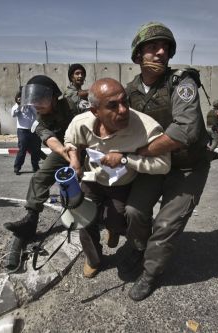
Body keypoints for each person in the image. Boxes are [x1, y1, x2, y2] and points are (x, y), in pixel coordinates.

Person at [123, 22, 212, 301]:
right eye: (152, 47)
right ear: (138, 56)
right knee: (134, 212)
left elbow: (186, 130)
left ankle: (151, 273)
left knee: (165, 225)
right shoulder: (129, 91)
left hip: (187, 167)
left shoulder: (181, 83)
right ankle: (139, 249)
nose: (161, 52)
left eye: (166, 48)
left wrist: (142, 151)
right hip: (155, 165)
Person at [64, 78, 171, 278]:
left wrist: (125, 160)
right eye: (112, 106)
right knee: (83, 217)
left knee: (117, 220)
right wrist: (74, 159)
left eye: (125, 102)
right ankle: (94, 258)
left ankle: (114, 229)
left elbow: (164, 164)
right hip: (92, 179)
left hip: (122, 184)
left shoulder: (146, 128)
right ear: (95, 111)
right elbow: (70, 139)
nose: (123, 110)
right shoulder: (82, 123)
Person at [3, 75, 80, 240]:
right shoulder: (37, 119)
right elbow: (50, 140)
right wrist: (68, 155)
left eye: (41, 99)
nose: (37, 104)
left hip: (85, 146)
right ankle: (31, 221)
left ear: (53, 97)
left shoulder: (70, 105)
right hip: (63, 150)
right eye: (34, 100)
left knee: (91, 181)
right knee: (39, 178)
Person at [11, 88, 45, 175]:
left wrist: (30, 105)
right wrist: (19, 105)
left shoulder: (32, 104)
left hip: (33, 129)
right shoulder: (16, 105)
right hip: (22, 131)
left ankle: (35, 167)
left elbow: (37, 113)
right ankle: (17, 168)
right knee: (22, 150)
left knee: (36, 149)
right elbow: (13, 115)